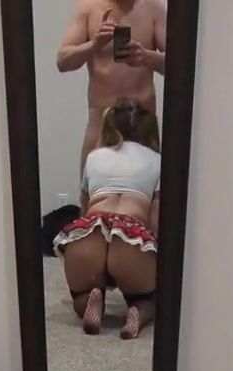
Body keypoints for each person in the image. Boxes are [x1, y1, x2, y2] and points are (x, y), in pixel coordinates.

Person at [54, 99, 160, 340]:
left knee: (80, 294)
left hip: (90, 230)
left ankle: (91, 299)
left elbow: (84, 204)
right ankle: (138, 310)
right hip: (130, 236)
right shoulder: (157, 160)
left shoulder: (94, 157)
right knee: (148, 298)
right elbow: (155, 216)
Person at [57, 0, 166, 173]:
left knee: (149, 189)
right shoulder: (88, 7)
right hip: (101, 121)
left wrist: (146, 57)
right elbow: (63, 62)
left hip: (143, 123)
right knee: (93, 188)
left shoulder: (153, 8)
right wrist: (94, 44)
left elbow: (179, 65)